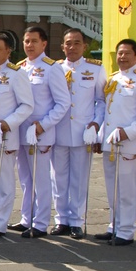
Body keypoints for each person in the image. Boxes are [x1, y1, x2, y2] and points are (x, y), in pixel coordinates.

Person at [94, 38, 136, 245]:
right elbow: (108, 113)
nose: (122, 57)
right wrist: (100, 136)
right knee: (112, 187)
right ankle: (114, 225)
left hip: (129, 143)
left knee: (127, 189)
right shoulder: (113, 79)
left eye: (126, 53)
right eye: (119, 53)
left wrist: (128, 132)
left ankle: (126, 230)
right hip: (110, 144)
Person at [11, 26, 70, 238]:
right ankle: (26, 218)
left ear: (44, 44)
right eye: (26, 41)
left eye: (34, 41)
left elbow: (63, 103)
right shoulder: (20, 68)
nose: (29, 45)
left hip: (40, 133)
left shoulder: (52, 68)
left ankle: (41, 223)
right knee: (25, 179)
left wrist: (43, 125)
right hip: (20, 132)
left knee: (41, 180)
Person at [51, 28, 106, 239]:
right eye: (68, 43)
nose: (71, 47)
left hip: (83, 132)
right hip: (58, 131)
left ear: (84, 46)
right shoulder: (55, 68)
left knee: (79, 179)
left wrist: (95, 124)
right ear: (62, 46)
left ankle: (77, 221)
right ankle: (61, 219)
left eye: (76, 43)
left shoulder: (96, 69)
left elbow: (101, 101)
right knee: (58, 178)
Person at [0, 33, 33, 238]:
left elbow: (27, 105)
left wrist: (7, 124)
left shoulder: (16, 74)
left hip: (5, 136)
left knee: (5, 182)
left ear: (8, 51)